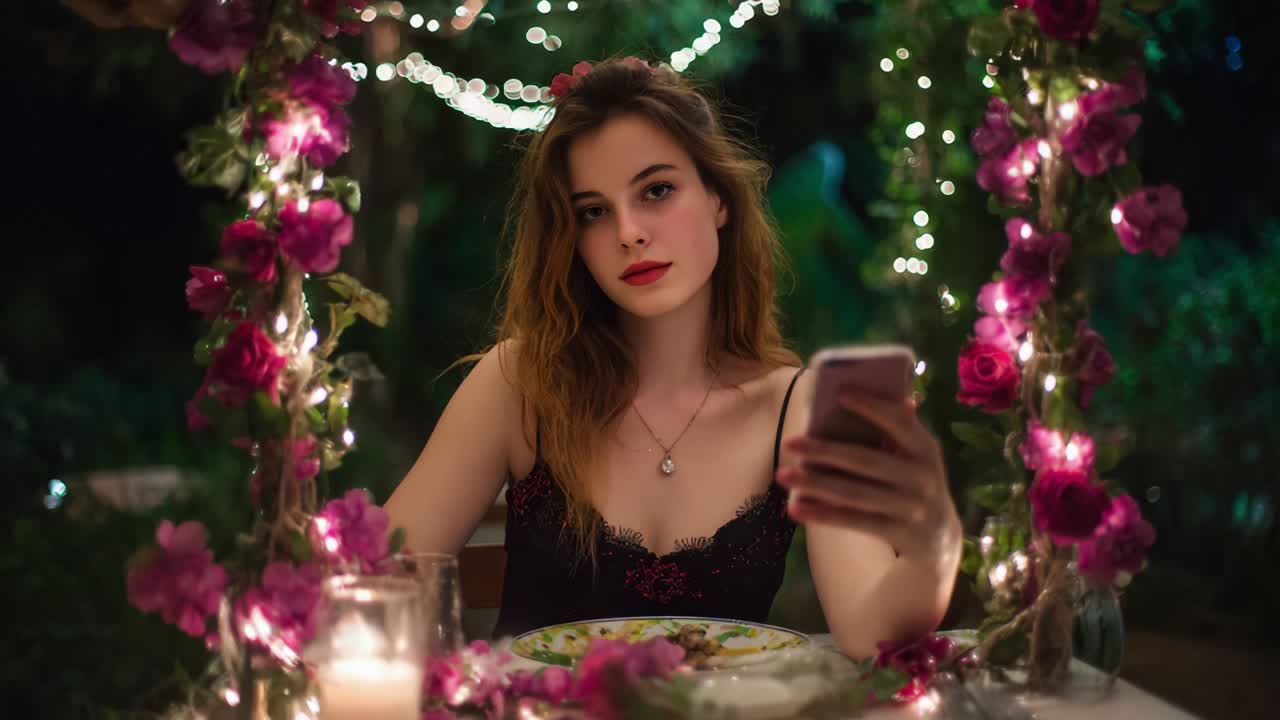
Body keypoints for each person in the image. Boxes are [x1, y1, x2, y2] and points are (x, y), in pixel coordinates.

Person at [385, 56, 962, 658]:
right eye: (594, 212)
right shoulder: (520, 382)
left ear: (718, 199)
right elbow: (372, 578)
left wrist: (934, 550)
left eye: (656, 190)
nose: (629, 231)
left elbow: (871, 635)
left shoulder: (806, 405)